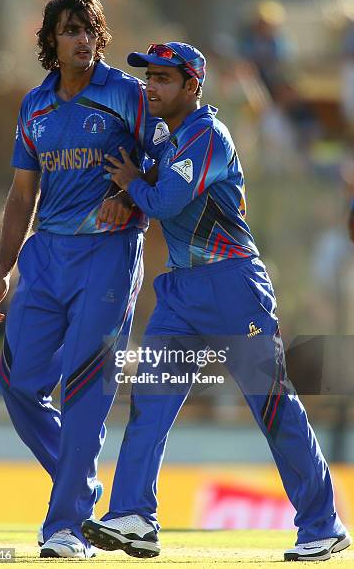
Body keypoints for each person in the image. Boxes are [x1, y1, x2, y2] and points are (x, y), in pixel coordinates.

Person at [82, 42, 352, 562]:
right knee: (151, 401)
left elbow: (163, 202)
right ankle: (134, 516)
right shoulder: (164, 137)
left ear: (192, 86)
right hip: (181, 291)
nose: (151, 87)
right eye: (149, 78)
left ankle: (323, 524)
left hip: (233, 287)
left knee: (271, 404)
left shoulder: (209, 135)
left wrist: (133, 182)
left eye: (163, 78)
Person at [0, 0, 169, 559]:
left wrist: (123, 192)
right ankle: (81, 489)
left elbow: (166, 151)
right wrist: (1, 271)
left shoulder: (128, 95)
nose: (82, 39)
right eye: (69, 30)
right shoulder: (34, 105)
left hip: (108, 253)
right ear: (51, 41)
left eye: (89, 29)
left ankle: (65, 526)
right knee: (17, 385)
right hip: (45, 257)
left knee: (84, 387)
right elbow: (20, 195)